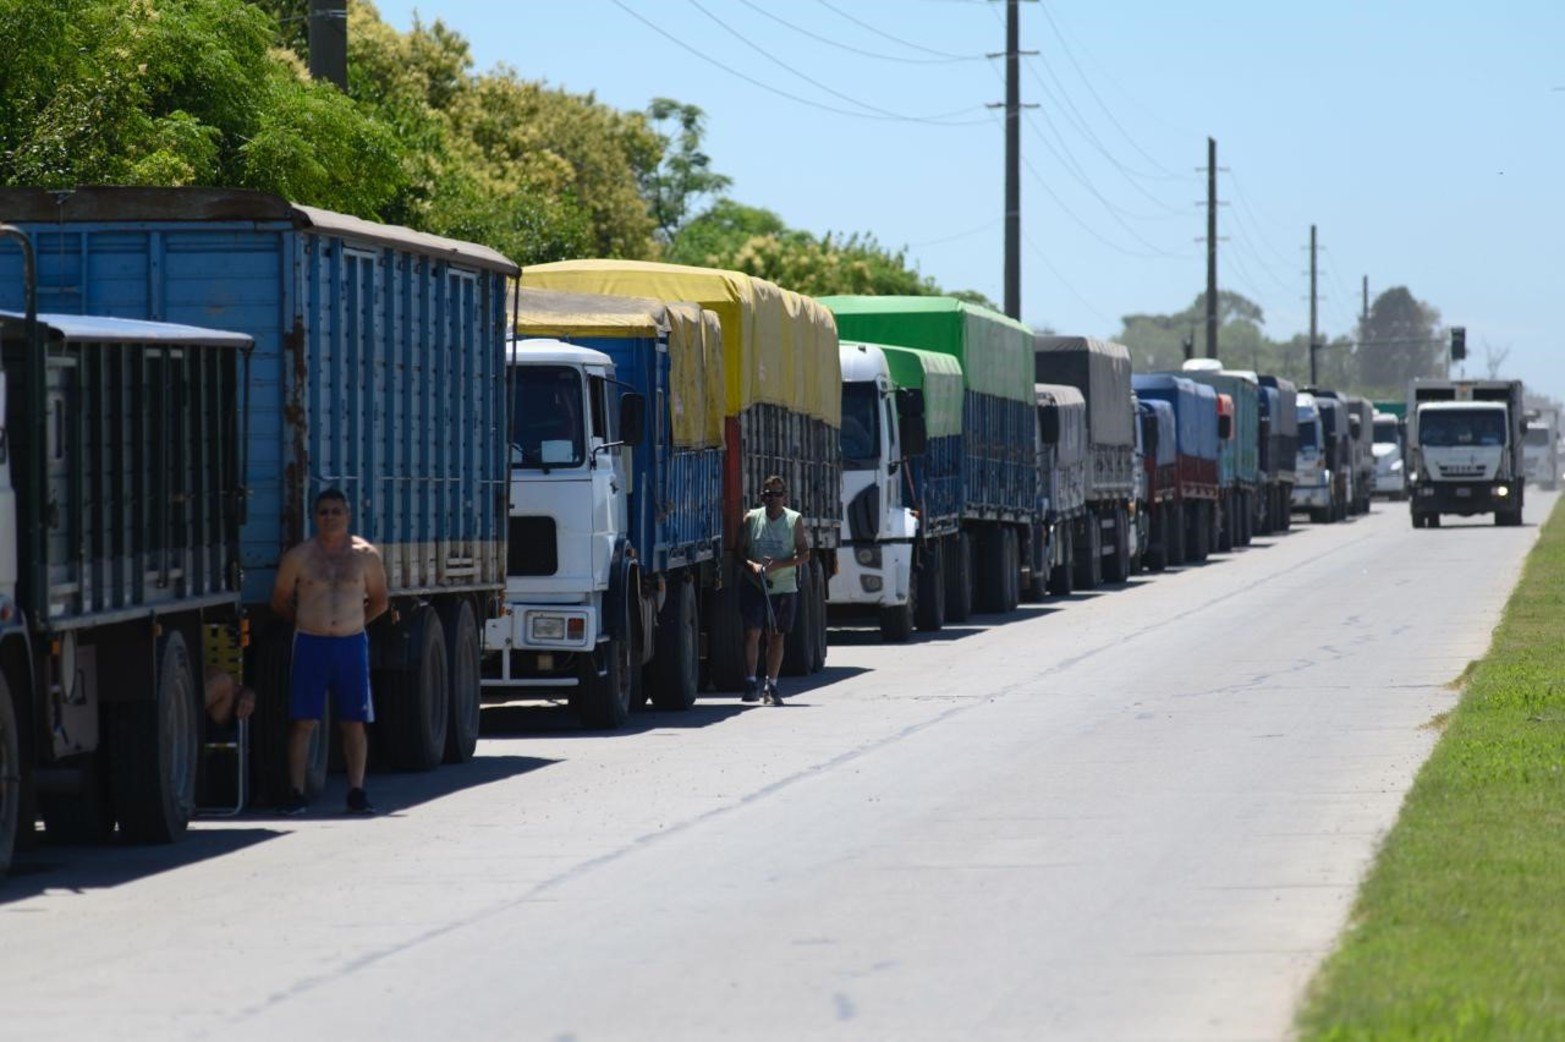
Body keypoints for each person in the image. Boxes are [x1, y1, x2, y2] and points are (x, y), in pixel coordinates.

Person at [269, 489, 391, 815]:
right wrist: (306, 622)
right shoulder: (300, 556)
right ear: (315, 516)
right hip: (311, 643)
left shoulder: (365, 555)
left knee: (354, 721)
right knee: (303, 720)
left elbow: (380, 600)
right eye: (323, 512)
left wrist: (354, 624)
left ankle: (356, 790)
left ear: (347, 516)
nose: (330, 517)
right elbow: (280, 598)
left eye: (336, 511)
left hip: (351, 644)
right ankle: (296, 791)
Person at [738, 475, 810, 705]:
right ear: (761, 496)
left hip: (783, 586)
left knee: (776, 635)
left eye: (777, 494)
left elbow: (804, 554)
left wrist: (780, 564)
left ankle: (773, 684)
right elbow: (738, 552)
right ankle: (751, 682)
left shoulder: (793, 520)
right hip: (755, 584)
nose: (773, 499)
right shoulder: (751, 518)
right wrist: (752, 565)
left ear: (785, 496)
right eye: (768, 494)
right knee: (752, 632)